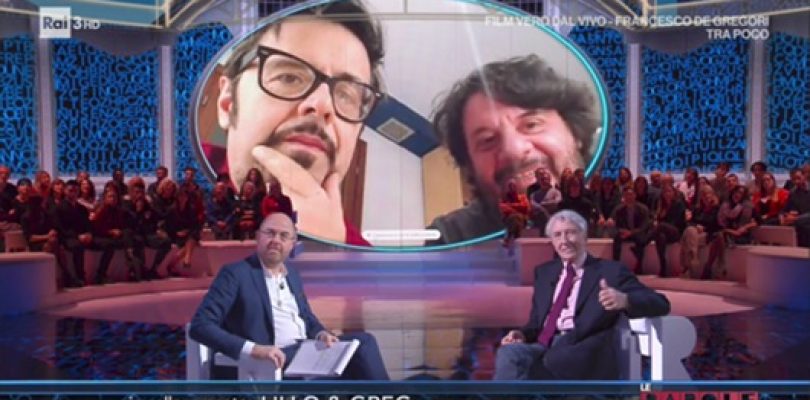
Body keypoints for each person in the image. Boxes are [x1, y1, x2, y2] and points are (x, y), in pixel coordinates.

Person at [203, 0, 383, 246]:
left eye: (346, 95)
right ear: (227, 103)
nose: (323, 105)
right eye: (289, 77)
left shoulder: (363, 263)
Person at [189, 211, 389, 380]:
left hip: (307, 351)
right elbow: (201, 326)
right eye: (270, 233)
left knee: (363, 343)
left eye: (284, 236)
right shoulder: (236, 274)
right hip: (275, 360)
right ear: (258, 237)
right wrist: (255, 349)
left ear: (292, 244)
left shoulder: (292, 275)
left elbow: (307, 318)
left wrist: (322, 334)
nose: (276, 240)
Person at [428, 54, 600, 245]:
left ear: (575, 133)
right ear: (470, 166)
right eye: (487, 140)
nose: (514, 150)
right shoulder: (450, 241)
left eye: (531, 125)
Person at [492, 210, 670, 380]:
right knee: (508, 353)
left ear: (584, 237)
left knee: (548, 363)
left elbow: (660, 303)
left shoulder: (610, 271)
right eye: (557, 235)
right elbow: (537, 322)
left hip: (581, 349)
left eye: (570, 233)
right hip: (543, 345)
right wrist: (521, 334)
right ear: (552, 241)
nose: (564, 241)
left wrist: (625, 300)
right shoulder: (544, 273)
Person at [608, 187, 652, 273]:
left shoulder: (643, 209)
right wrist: (621, 231)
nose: (629, 197)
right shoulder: (619, 210)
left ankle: (639, 266)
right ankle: (615, 265)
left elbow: (645, 226)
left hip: (637, 233)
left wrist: (631, 232)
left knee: (641, 239)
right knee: (617, 238)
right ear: (623, 196)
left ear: (635, 195)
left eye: (631, 194)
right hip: (624, 233)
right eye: (626, 195)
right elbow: (616, 224)